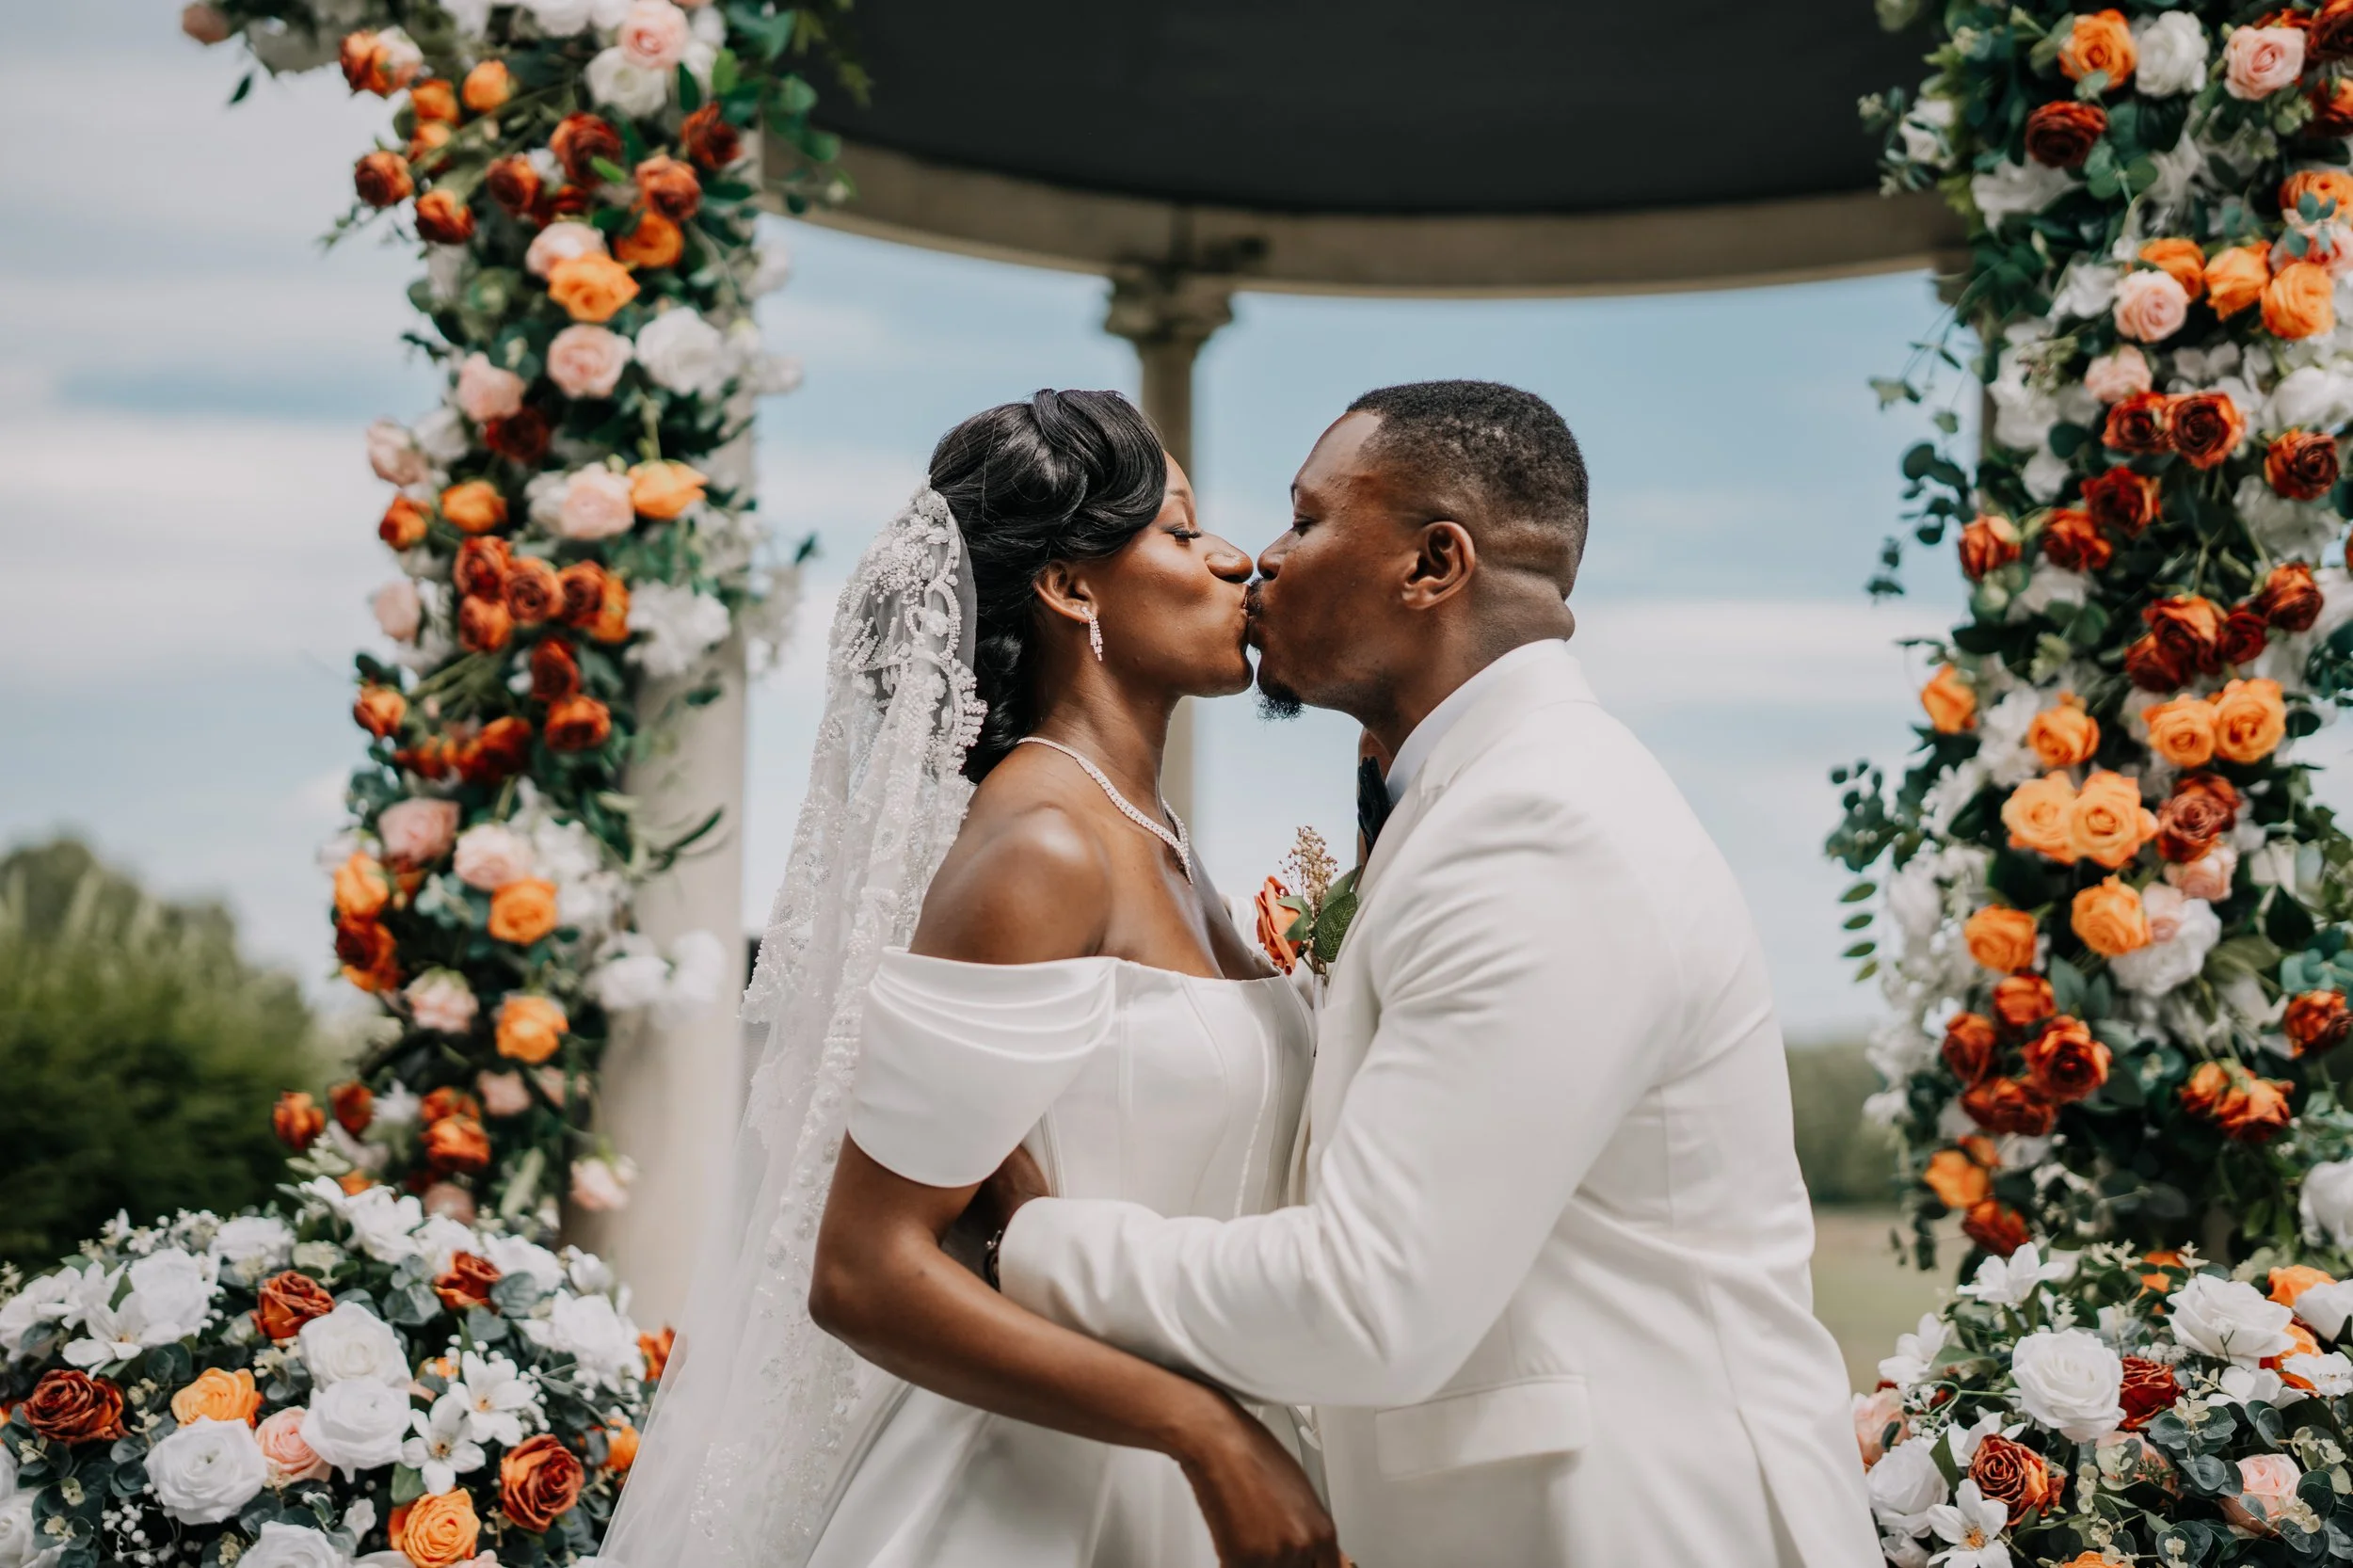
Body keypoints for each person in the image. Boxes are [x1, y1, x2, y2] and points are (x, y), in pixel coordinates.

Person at [975, 381, 1882, 1566]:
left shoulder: (1540, 826)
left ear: (1432, 565)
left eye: (1305, 521)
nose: (1262, 562)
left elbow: (1371, 1299)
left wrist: (1032, 1243)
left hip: (1627, 1524)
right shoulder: (1470, 800)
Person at [600, 389, 1344, 1568]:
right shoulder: (1041, 848)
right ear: (1071, 586)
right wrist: (1200, 1432)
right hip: (1045, 1499)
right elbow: (863, 1271)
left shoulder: (1163, 841)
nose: (1234, 557)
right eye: (1178, 529)